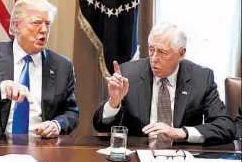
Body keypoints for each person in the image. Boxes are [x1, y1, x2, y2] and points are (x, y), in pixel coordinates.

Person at [0, 0, 79, 138]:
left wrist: (58, 124)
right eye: (36, 23)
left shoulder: (63, 66)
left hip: (42, 146)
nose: (44, 30)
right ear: (16, 26)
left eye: (48, 24)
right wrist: (2, 89)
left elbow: (71, 112)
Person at [93, 22, 236, 144]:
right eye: (151, 50)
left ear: (181, 53)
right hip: (139, 156)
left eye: (162, 53)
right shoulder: (129, 74)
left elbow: (226, 126)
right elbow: (100, 126)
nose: (154, 58)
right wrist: (114, 102)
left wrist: (182, 133)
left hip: (182, 158)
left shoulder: (201, 78)